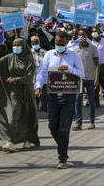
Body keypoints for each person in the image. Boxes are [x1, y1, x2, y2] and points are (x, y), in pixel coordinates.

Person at [35, 31, 84, 169]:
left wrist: (69, 69)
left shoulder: (74, 56)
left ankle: (62, 157)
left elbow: (82, 73)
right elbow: (43, 72)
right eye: (57, 43)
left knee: (63, 129)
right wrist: (38, 85)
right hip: (52, 95)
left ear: (66, 43)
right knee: (52, 127)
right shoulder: (49, 55)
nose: (59, 46)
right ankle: (63, 145)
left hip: (68, 96)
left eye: (62, 44)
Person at [0, 38, 40, 152]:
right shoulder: (10, 57)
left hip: (26, 91)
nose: (16, 47)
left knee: (27, 115)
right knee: (13, 115)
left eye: (18, 45)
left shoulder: (29, 59)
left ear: (23, 46)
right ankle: (10, 141)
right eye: (14, 45)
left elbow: (29, 76)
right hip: (14, 92)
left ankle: (27, 139)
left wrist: (16, 79)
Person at [73, 30, 99, 131]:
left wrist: (96, 78)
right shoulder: (75, 49)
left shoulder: (93, 48)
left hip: (90, 78)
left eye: (83, 34)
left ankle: (92, 122)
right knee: (77, 100)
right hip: (79, 78)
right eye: (80, 35)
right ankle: (78, 122)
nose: (81, 36)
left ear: (87, 36)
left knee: (91, 101)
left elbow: (97, 64)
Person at [31, 36, 47, 111]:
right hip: (33, 77)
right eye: (33, 42)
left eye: (36, 42)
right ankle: (35, 108)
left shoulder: (45, 53)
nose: (34, 43)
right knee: (34, 95)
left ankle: (44, 108)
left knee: (44, 95)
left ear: (39, 42)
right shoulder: (29, 53)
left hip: (43, 77)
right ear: (31, 43)